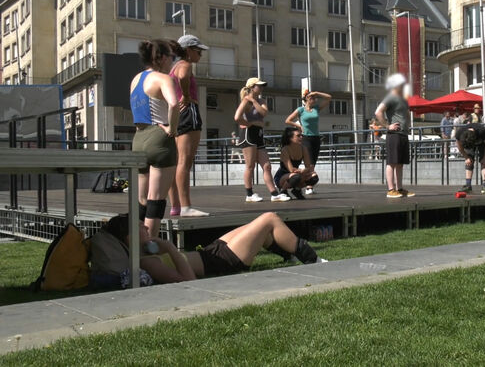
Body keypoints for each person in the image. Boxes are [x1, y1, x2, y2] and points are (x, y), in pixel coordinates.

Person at [101, 212, 326, 284]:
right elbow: (188, 282)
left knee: (259, 229)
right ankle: (312, 260)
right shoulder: (146, 262)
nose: (146, 229)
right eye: (141, 228)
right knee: (269, 218)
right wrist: (169, 247)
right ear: (130, 239)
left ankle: (290, 256)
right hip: (221, 261)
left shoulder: (147, 252)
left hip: (212, 252)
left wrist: (160, 248)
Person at [129, 39, 179, 238]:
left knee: (142, 199)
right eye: (172, 58)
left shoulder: (135, 80)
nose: (172, 63)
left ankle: (135, 244)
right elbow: (174, 104)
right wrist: (172, 129)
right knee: (156, 200)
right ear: (163, 58)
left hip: (138, 139)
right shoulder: (163, 78)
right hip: (159, 137)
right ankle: (149, 246)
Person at [167, 36, 209, 217]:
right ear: (189, 50)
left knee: (176, 162)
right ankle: (185, 206)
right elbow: (184, 76)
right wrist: (185, 95)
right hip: (188, 111)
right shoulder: (185, 64)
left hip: (176, 113)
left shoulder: (172, 67)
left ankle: (176, 206)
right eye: (198, 51)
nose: (200, 54)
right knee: (185, 161)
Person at [235, 77, 291, 202]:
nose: (261, 88)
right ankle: (249, 194)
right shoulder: (245, 101)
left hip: (259, 134)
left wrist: (254, 101)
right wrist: (248, 123)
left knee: (267, 166)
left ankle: (274, 194)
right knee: (250, 166)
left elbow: (264, 113)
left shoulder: (261, 101)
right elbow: (237, 117)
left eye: (261, 86)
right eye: (259, 86)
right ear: (251, 87)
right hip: (248, 134)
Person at [375, 73, 415, 198]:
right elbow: (378, 112)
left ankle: (400, 188)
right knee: (392, 162)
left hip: (403, 134)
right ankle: (390, 190)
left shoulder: (403, 98)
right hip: (394, 134)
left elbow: (406, 114)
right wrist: (388, 126)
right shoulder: (390, 97)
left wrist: (407, 125)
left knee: (400, 163)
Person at [285, 90, 331, 195]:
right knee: (309, 163)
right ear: (306, 99)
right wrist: (299, 126)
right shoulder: (300, 110)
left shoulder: (316, 109)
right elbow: (288, 120)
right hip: (306, 138)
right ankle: (304, 186)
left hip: (316, 138)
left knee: (313, 163)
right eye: (311, 98)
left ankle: (308, 186)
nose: (314, 100)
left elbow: (329, 97)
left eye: (315, 98)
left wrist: (317, 93)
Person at [274, 128, 319, 200]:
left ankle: (296, 190)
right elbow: (291, 169)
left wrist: (306, 171)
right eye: (298, 136)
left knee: (314, 177)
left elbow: (308, 166)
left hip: (296, 173)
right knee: (296, 176)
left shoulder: (303, 148)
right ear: (290, 138)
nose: (301, 137)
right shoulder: (285, 149)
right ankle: (283, 191)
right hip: (282, 177)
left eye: (301, 135)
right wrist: (302, 171)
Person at [455, 123, 485, 194]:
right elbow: (459, 147)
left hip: (482, 143)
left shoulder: (482, 131)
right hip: (468, 141)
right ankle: (468, 185)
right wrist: (466, 157)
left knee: (484, 162)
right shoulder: (459, 133)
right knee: (469, 161)